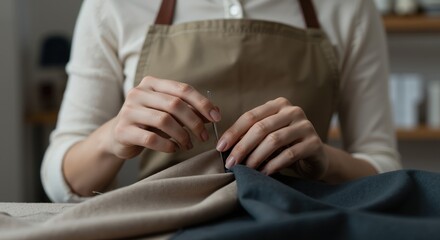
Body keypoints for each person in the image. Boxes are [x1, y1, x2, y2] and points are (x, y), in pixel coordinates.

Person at [41, 0, 402, 203]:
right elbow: (60, 183)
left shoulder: (348, 7)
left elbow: (385, 167)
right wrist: (111, 138)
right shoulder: (113, 6)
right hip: (164, 229)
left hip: (305, 226)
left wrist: (326, 160)